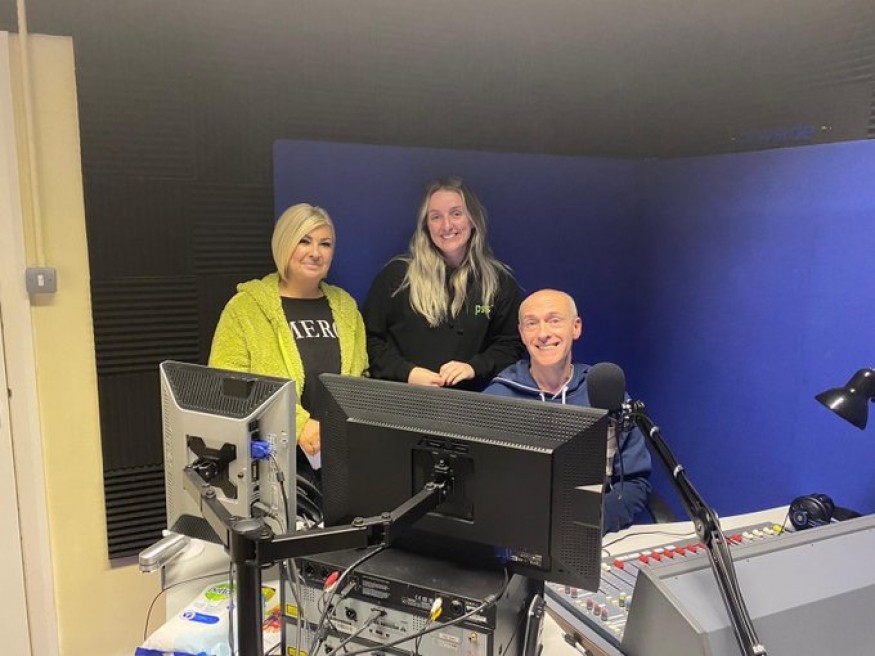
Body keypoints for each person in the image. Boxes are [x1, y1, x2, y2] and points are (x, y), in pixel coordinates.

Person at [209, 203, 368, 492]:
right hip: (273, 467)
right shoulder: (246, 308)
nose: (315, 252)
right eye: (304, 241)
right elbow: (226, 387)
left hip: (339, 459)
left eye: (325, 243)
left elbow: (361, 378)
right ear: (284, 244)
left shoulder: (345, 306)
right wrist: (298, 424)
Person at [483, 289, 652, 534]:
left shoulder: (604, 394)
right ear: (521, 333)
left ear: (576, 327)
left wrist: (592, 522)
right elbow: (483, 488)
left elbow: (634, 481)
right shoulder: (496, 400)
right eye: (532, 323)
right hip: (518, 536)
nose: (543, 333)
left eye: (554, 320)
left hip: (593, 534)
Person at [363, 177, 524, 391]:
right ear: (426, 225)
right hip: (402, 399)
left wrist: (473, 368)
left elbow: (510, 346)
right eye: (436, 217)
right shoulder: (397, 276)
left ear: (473, 220)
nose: (447, 225)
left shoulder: (498, 282)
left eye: (456, 214)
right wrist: (408, 373)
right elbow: (369, 340)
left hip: (468, 403)